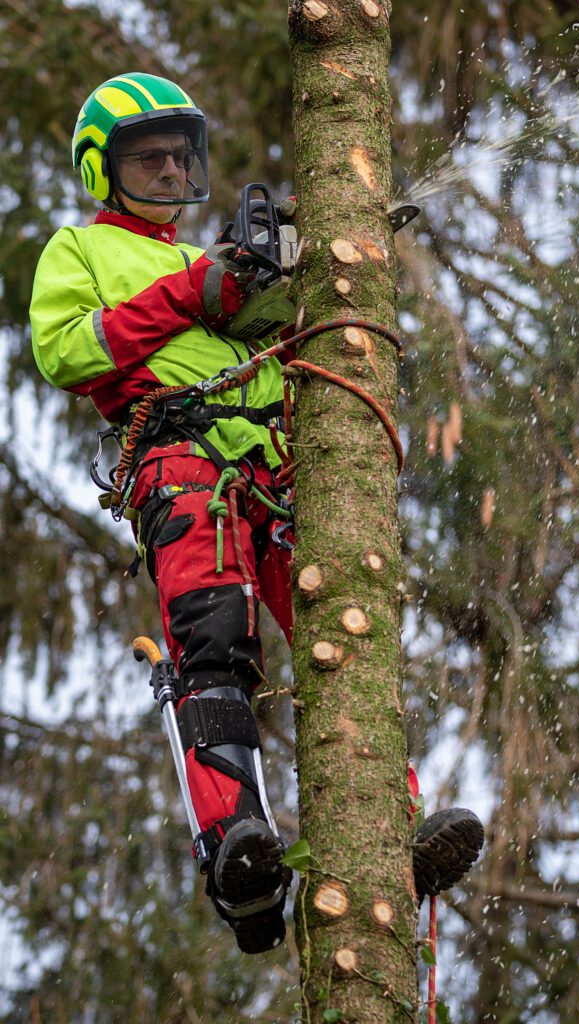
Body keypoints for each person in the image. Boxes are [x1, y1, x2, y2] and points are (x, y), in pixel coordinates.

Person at [30, 72, 485, 954]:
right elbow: (67, 349)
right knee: (212, 646)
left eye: (179, 156)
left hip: (279, 467)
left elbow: (281, 336)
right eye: (146, 157)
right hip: (178, 457)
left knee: (345, 633)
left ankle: (398, 827)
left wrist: (295, 272)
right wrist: (195, 291)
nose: (169, 171)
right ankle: (235, 848)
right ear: (105, 170)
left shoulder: (213, 261)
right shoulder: (79, 253)